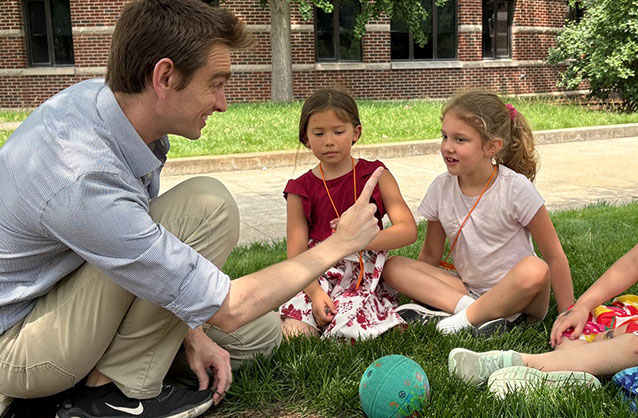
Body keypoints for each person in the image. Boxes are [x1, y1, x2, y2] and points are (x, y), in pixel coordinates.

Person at [0, 1, 384, 417]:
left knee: (260, 338)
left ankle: (115, 370)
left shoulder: (113, 110)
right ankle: (110, 396)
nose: (222, 103)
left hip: (65, 296)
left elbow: (146, 264)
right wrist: (339, 243)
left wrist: (188, 329)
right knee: (207, 207)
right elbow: (231, 306)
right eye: (215, 83)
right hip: (19, 346)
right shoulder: (83, 174)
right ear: (164, 76)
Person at [448, 95, 638, 399]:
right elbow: (632, 264)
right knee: (584, 325)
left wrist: (624, 331)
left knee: (635, 342)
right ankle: (575, 376)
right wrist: (582, 306)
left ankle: (522, 364)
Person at [382, 89, 574, 337]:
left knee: (535, 268)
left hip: (523, 297)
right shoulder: (440, 188)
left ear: (491, 146)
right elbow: (430, 253)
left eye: (460, 140)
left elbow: (555, 257)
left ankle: (457, 321)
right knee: (394, 266)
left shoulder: (515, 189)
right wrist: (422, 291)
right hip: (467, 291)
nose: (447, 147)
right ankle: (475, 314)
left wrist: (568, 313)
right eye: (444, 137)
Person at [279, 88, 417, 341]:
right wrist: (315, 293)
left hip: (362, 272)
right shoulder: (300, 189)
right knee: (295, 335)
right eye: (318, 134)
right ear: (306, 139)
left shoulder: (376, 175)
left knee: (351, 330)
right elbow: (296, 254)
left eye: (338, 131)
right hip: (316, 270)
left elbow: (408, 230)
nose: (329, 140)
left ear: (356, 132)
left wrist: (359, 238)